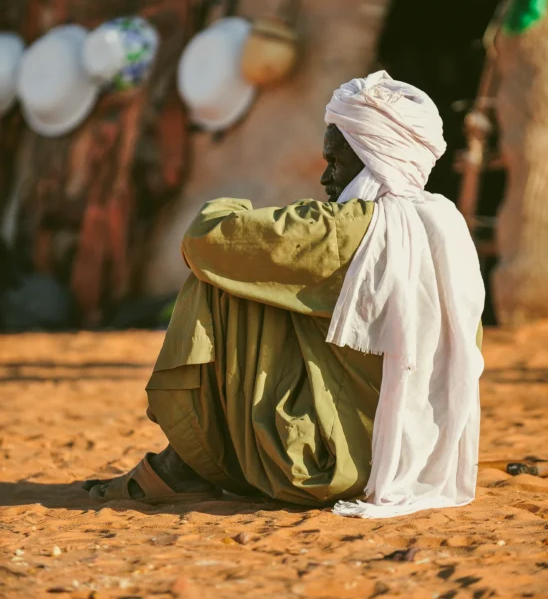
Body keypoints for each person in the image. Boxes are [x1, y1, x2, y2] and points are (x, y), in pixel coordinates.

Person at [83, 71, 484, 518]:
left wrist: (230, 205)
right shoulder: (445, 228)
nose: (327, 179)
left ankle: (185, 465)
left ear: (373, 157)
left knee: (218, 278)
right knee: (262, 278)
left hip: (319, 465)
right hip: (407, 461)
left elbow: (205, 239)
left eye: (336, 162)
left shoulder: (344, 229)